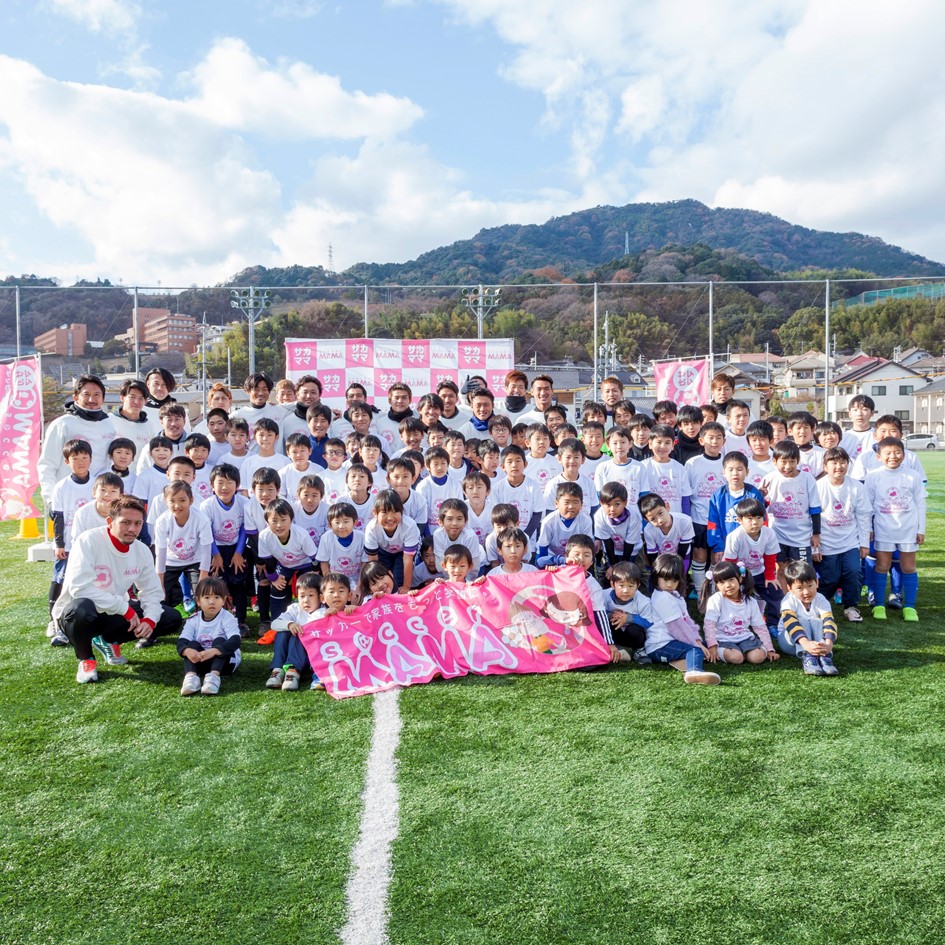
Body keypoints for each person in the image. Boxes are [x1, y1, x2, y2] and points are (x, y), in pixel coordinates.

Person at [53, 496, 183, 683]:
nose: (132, 529)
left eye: (138, 523)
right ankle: (86, 659)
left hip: (113, 611)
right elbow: (79, 590)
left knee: (170, 618)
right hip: (76, 613)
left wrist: (150, 619)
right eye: (126, 523)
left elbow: (152, 591)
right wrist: (126, 609)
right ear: (109, 521)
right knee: (81, 609)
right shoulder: (88, 541)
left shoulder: (141, 549)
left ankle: (109, 640)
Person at [865, 437, 926, 621]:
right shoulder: (873, 476)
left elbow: (920, 503)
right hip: (884, 530)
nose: (893, 456)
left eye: (897, 452)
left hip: (908, 530)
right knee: (882, 566)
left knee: (908, 567)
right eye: (888, 453)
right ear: (878, 456)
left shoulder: (912, 476)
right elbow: (867, 505)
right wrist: (868, 528)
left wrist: (920, 529)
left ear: (904, 455)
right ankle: (879, 606)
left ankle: (909, 607)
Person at [38, 374, 116, 506]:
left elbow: (109, 464)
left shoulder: (108, 424)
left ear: (103, 398)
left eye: (97, 394)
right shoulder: (62, 424)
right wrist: (51, 499)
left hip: (99, 501)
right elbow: (47, 465)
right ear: (75, 397)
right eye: (86, 394)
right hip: (67, 499)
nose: (92, 399)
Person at [644, 554, 720, 685]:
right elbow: (677, 627)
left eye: (674, 581)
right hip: (659, 646)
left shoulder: (676, 596)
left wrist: (698, 640)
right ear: (656, 577)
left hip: (674, 641)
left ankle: (681, 662)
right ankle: (694, 672)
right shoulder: (663, 598)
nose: (669, 584)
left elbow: (688, 622)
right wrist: (696, 644)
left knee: (705, 646)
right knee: (694, 650)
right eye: (665, 579)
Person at [816, 447, 870, 622]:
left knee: (853, 572)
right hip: (826, 543)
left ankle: (851, 606)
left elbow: (863, 516)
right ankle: (818, 605)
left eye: (842, 462)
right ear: (825, 466)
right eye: (833, 462)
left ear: (848, 464)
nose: (838, 466)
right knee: (830, 577)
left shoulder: (856, 487)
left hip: (850, 542)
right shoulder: (818, 486)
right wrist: (815, 546)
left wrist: (864, 544)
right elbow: (812, 517)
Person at [698, 561, 777, 665]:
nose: (728, 585)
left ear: (740, 578)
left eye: (731, 580)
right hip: (723, 640)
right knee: (736, 658)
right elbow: (709, 625)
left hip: (745, 638)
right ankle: (734, 652)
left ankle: (747, 651)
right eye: (721, 582)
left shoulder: (750, 601)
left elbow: (760, 627)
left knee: (757, 657)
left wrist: (769, 649)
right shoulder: (716, 599)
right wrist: (712, 646)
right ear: (716, 585)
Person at [722, 497, 782, 632]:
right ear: (739, 520)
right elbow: (730, 562)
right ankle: (740, 623)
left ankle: (772, 623)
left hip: (760, 571)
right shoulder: (734, 536)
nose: (755, 522)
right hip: (739, 573)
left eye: (759, 518)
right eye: (749, 518)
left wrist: (770, 577)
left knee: (777, 596)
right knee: (738, 599)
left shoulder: (769, 533)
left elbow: (770, 557)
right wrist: (736, 580)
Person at [177, 577, 242, 696]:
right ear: (198, 601)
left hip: (225, 665)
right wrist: (187, 651)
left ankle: (213, 677)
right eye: (207, 597)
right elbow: (181, 642)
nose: (212, 602)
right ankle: (191, 677)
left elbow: (235, 641)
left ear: (224, 600)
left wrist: (214, 651)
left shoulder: (228, 617)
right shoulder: (193, 619)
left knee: (220, 640)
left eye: (217, 597)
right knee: (191, 645)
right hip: (200, 661)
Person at [777, 560, 840, 676]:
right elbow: (790, 623)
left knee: (817, 622)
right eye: (800, 588)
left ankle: (824, 656)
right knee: (802, 621)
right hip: (790, 641)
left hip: (815, 640)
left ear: (817, 583)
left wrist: (829, 644)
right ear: (790, 588)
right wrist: (806, 644)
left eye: (810, 585)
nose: (806, 592)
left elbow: (829, 621)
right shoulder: (788, 600)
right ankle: (809, 657)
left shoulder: (821, 599)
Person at [267, 571, 321, 691]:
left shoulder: (324, 612)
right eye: (302, 596)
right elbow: (274, 624)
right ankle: (278, 669)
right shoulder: (295, 609)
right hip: (289, 653)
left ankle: (293, 672)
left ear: (320, 597)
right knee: (283, 632)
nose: (306, 600)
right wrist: (290, 624)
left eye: (311, 595)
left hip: (311, 657)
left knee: (300, 632)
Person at [364, 490, 420, 592]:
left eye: (395, 512)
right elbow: (373, 561)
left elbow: (408, 560)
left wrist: (406, 587)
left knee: (398, 581)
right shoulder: (371, 528)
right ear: (375, 513)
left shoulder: (409, 526)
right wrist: (377, 587)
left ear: (402, 511)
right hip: (383, 550)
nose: (390, 518)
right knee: (385, 581)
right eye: (384, 512)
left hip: (403, 552)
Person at [603, 561, 653, 662]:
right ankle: (616, 648)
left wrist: (629, 618)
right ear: (613, 584)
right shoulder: (603, 596)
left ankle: (639, 650)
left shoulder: (643, 601)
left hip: (632, 635)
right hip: (615, 633)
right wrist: (610, 615)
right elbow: (597, 614)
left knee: (634, 629)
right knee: (606, 624)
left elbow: (650, 622)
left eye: (630, 586)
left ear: (638, 586)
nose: (626, 590)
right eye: (621, 585)